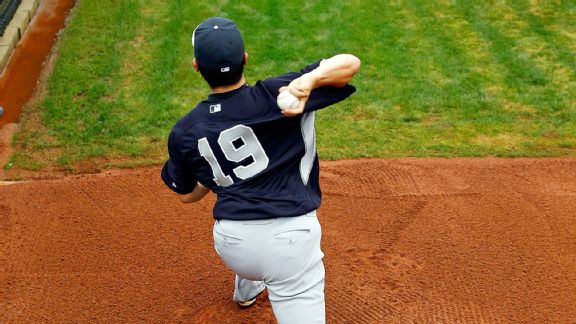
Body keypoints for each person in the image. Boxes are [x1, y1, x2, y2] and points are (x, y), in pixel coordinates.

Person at [161, 16, 360, 324]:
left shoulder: (186, 130)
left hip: (232, 243)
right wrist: (306, 83)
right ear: (245, 58)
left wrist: (211, 176)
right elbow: (349, 63)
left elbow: (187, 195)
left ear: (196, 66)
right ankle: (258, 280)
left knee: (253, 248)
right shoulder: (277, 94)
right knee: (286, 273)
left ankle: (246, 288)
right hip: (290, 245)